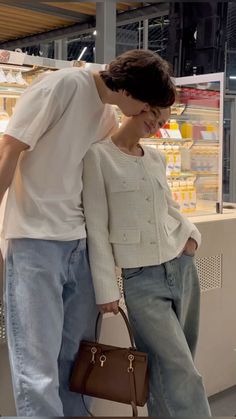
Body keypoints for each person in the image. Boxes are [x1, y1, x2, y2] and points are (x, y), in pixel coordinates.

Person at [0, 49, 176, 417]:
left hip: (78, 242)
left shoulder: (107, 112)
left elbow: (116, 157)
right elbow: (9, 149)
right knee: (36, 364)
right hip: (34, 240)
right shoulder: (63, 84)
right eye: (147, 105)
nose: (146, 113)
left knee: (76, 359)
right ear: (129, 91)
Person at [82, 106, 211, 417]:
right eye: (153, 113)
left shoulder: (156, 157)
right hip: (141, 278)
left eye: (163, 119)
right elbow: (96, 226)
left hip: (180, 267)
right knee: (182, 370)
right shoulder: (98, 156)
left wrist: (191, 236)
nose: (156, 123)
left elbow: (169, 206)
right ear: (134, 107)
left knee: (172, 369)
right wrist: (105, 288)